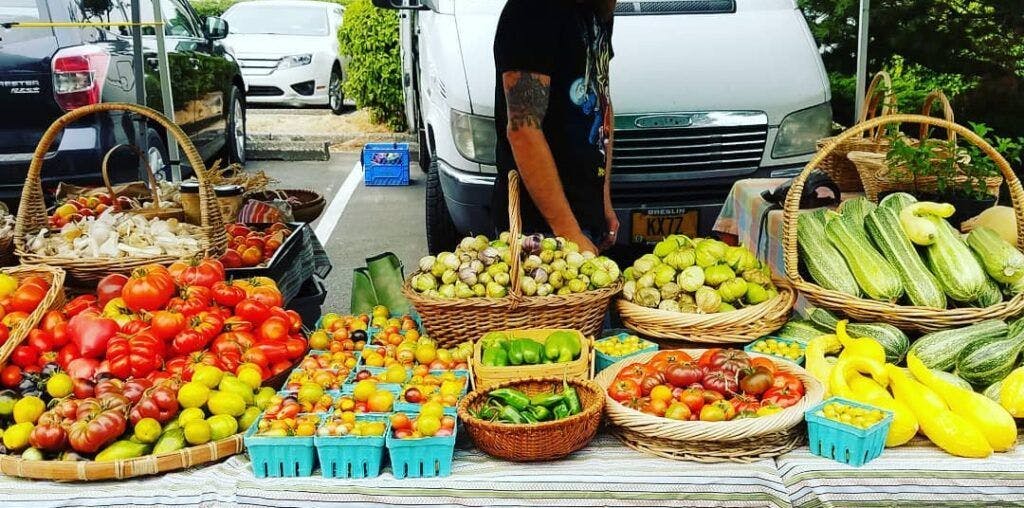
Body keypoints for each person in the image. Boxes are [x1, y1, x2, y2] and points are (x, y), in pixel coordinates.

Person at [491, 0, 617, 254]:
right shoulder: (532, 12)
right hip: (542, 229)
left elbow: (601, 96)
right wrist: (569, 233)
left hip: (583, 216)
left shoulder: (595, 12)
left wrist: (603, 202)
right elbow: (523, 131)